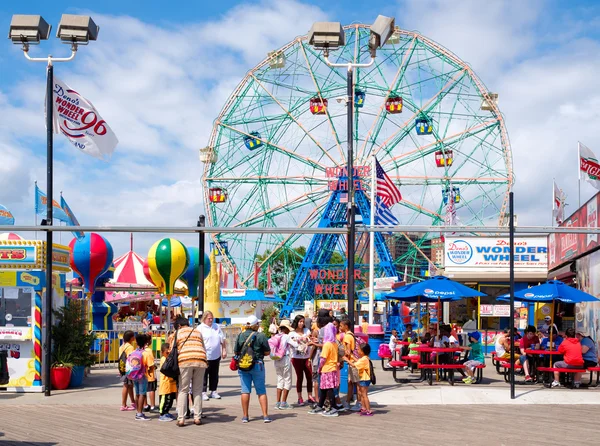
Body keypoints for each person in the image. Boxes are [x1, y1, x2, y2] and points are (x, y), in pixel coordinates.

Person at [168, 316, 208, 427]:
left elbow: (171, 350)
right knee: (197, 390)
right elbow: (203, 347)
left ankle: (181, 419)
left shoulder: (177, 333)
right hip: (200, 359)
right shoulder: (197, 332)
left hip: (185, 361)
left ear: (179, 326)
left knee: (183, 389)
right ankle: (197, 417)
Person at [235, 315, 271, 423]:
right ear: (255, 325)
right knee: (261, 391)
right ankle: (265, 416)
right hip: (257, 364)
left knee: (245, 391)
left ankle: (245, 416)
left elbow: (236, 351)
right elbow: (267, 352)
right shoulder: (261, 336)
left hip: (243, 365)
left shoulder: (240, 335)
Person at [308, 322, 340, 417]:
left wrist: (319, 368)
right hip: (333, 368)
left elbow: (323, 359)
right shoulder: (334, 344)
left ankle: (333, 408)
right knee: (324, 389)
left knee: (328, 389)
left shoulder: (327, 345)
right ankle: (320, 405)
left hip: (327, 369)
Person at [198, 311, 227, 401]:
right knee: (204, 374)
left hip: (216, 355)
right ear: (204, 318)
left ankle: (213, 391)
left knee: (214, 374)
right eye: (209, 318)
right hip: (205, 355)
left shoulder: (216, 326)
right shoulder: (200, 328)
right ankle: (203, 392)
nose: (211, 320)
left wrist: (224, 350)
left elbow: (223, 339)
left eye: (212, 318)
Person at [289, 315, 313, 406]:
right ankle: (300, 397)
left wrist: (307, 340)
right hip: (296, 357)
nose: (302, 323)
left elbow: (311, 341)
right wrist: (297, 341)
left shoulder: (307, 331)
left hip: (307, 357)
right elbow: (290, 344)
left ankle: (310, 396)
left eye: (303, 322)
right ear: (296, 322)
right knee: (300, 377)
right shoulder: (292, 333)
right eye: (300, 321)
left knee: (309, 376)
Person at [273, 319, 297, 410]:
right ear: (286, 329)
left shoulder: (276, 336)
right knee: (287, 380)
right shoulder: (286, 336)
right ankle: (283, 403)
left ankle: (277, 402)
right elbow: (295, 345)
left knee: (280, 380)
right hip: (285, 359)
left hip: (276, 359)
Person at [340, 319, 360, 411]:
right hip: (354, 361)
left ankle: (357, 403)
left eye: (341, 326)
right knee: (351, 382)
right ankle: (349, 401)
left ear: (346, 326)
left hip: (352, 361)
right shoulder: (351, 335)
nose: (340, 328)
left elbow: (348, 350)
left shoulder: (347, 337)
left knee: (355, 383)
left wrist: (343, 357)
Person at [347, 343, 373, 416]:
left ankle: (368, 410)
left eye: (358, 350)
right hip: (362, 379)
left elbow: (354, 365)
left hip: (364, 379)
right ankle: (363, 408)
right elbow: (358, 361)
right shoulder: (364, 358)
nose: (357, 351)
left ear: (362, 351)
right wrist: (352, 356)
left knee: (364, 395)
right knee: (361, 394)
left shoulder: (364, 359)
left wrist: (346, 359)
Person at [158, 343, 177, 422]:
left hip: (171, 384)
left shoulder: (169, 359)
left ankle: (167, 411)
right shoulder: (163, 359)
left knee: (170, 400)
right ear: (162, 352)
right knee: (164, 400)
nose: (168, 354)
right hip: (165, 384)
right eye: (167, 352)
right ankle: (162, 413)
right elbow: (166, 369)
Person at [133, 334, 150, 421]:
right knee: (142, 394)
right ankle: (139, 413)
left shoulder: (133, 352)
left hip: (134, 375)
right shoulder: (145, 353)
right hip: (142, 375)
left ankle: (138, 411)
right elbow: (150, 365)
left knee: (137, 394)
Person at [118, 330, 136, 411]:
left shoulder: (122, 346)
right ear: (131, 338)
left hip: (122, 368)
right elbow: (130, 359)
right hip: (128, 369)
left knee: (129, 385)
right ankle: (123, 404)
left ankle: (133, 402)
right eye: (133, 336)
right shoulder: (130, 347)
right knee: (126, 385)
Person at [142, 334, 157, 412]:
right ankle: (152, 406)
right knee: (151, 389)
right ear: (148, 341)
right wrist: (154, 367)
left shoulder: (140, 349)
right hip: (149, 374)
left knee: (144, 390)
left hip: (142, 374)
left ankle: (145, 405)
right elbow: (150, 363)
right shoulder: (149, 350)